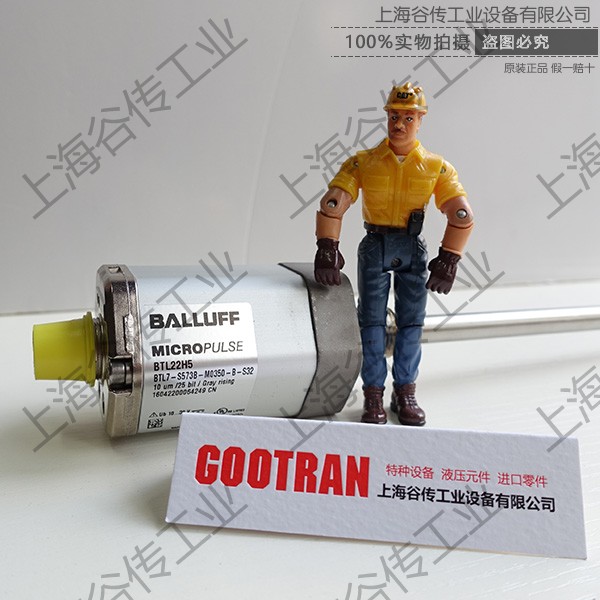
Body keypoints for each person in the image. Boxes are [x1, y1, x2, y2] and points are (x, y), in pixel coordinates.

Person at [313, 82, 474, 426]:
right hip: (375, 244)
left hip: (412, 246)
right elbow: (333, 203)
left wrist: (449, 258)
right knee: (370, 324)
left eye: (408, 118)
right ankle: (373, 394)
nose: (399, 124)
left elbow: (461, 214)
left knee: (411, 325)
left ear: (420, 120)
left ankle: (405, 392)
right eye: (394, 116)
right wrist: (327, 246)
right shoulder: (363, 162)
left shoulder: (436, 167)